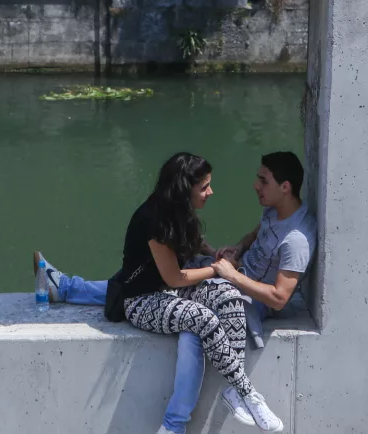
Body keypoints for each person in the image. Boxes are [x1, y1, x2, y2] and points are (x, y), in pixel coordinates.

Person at [35, 152, 314, 434]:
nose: (211, 191)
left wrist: (216, 257)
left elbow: (190, 243)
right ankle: (237, 394)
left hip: (161, 287)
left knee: (225, 299)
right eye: (204, 187)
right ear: (185, 189)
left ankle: (63, 286)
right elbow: (174, 277)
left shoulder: (175, 209)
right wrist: (220, 270)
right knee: (201, 321)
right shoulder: (155, 220)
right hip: (143, 300)